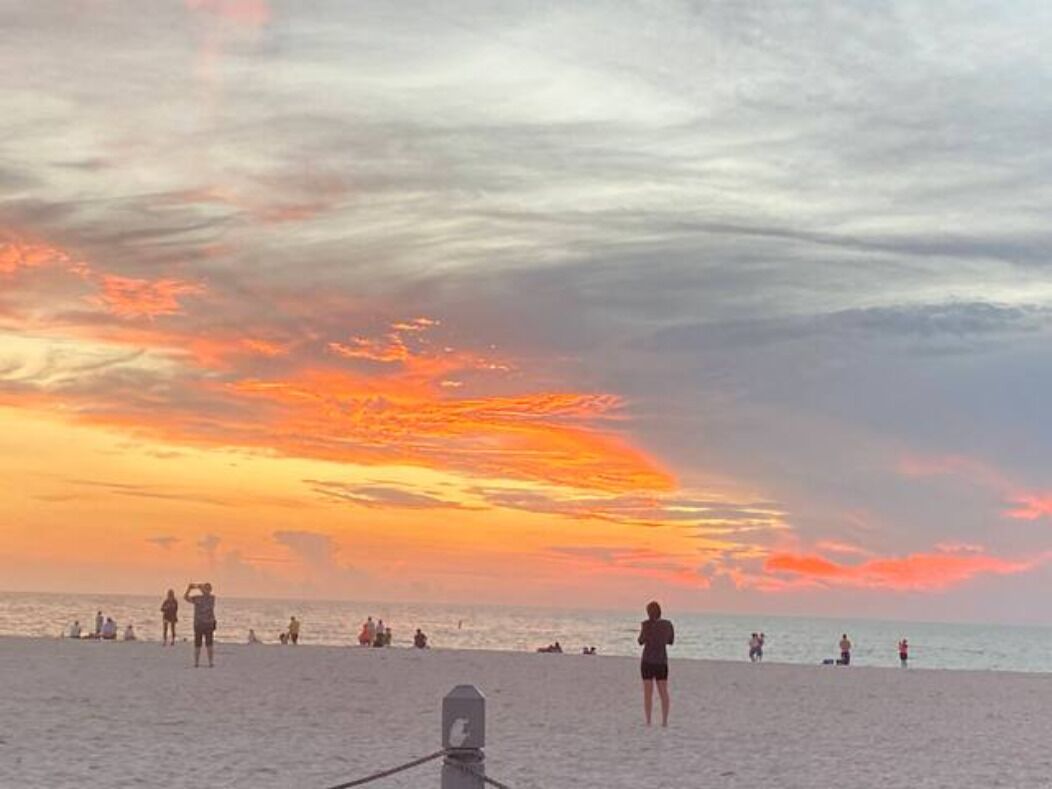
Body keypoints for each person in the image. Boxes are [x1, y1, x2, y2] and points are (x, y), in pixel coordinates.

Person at [638, 601, 674, 727]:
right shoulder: (668, 624)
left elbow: (640, 641)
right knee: (663, 692)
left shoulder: (646, 625)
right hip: (661, 661)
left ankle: (648, 721)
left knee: (648, 693)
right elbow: (670, 641)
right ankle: (664, 721)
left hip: (647, 660)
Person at [184, 582, 217, 668]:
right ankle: (202, 662)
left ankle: (204, 662)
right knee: (202, 645)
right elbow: (186, 598)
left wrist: (193, 587)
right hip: (203, 624)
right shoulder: (207, 598)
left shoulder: (206, 598)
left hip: (203, 624)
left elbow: (186, 598)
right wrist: (193, 588)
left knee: (205, 645)